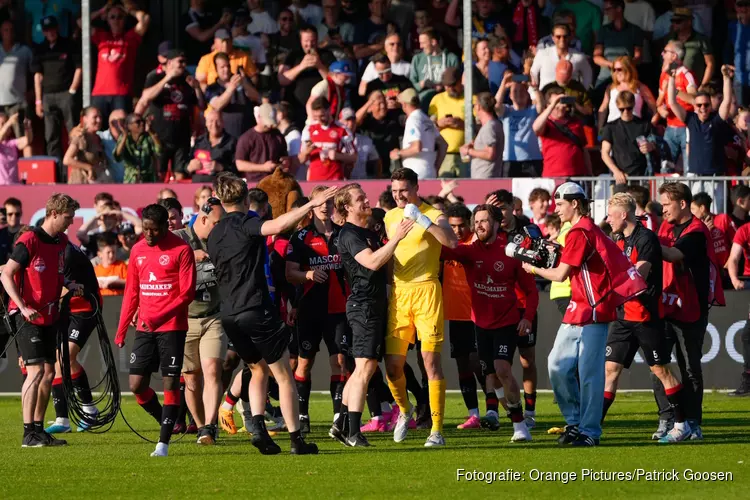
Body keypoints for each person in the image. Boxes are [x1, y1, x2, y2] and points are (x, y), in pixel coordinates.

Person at [207, 173, 332, 455]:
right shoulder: (248, 221)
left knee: (257, 369)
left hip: (229, 314)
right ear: (245, 198)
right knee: (284, 375)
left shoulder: (215, 232)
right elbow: (278, 224)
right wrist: (310, 205)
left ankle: (259, 429)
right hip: (255, 308)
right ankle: (297, 440)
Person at [521, 182, 647, 447]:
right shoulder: (582, 229)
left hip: (594, 309)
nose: (557, 208)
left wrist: (532, 269)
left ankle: (589, 431)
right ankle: (577, 423)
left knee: (589, 375)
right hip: (580, 308)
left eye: (561, 203)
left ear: (575, 203)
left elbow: (559, 275)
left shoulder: (581, 231)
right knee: (557, 365)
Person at [442, 203, 537, 442]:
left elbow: (531, 290)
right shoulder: (470, 251)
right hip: (480, 325)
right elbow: (444, 251)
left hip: (507, 322)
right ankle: (500, 413)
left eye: (484, 221)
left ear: (496, 224)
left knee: (503, 368)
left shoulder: (510, 251)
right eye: (477, 221)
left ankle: (519, 425)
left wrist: (527, 317)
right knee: (490, 374)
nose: (479, 225)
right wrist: (427, 223)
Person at [328, 183, 412, 446]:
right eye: (360, 198)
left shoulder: (369, 233)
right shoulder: (350, 235)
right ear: (347, 207)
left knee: (364, 368)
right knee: (364, 367)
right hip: (363, 307)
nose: (366, 200)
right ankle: (353, 432)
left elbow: (384, 268)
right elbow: (373, 262)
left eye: (365, 196)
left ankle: (341, 425)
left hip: (374, 306)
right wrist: (397, 238)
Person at [602, 193, 691, 443]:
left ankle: (682, 424)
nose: (608, 219)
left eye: (611, 214)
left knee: (661, 369)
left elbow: (639, 275)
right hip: (622, 316)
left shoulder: (646, 238)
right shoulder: (617, 239)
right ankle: (593, 426)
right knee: (611, 369)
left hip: (645, 316)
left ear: (624, 214)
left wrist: (611, 286)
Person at [383, 167, 458, 447]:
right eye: (394, 191)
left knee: (430, 363)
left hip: (427, 291)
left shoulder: (433, 214)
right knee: (392, 366)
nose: (398, 196)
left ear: (416, 188)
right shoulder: (390, 216)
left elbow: (451, 241)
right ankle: (405, 411)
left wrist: (424, 221)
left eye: (403, 190)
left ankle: (437, 430)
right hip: (400, 295)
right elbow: (390, 255)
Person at [0, 193, 82, 448]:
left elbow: (55, 274)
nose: (71, 222)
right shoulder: (29, 240)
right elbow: (6, 275)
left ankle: (38, 429)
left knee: (48, 372)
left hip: (48, 315)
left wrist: (68, 283)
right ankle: (28, 434)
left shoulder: (61, 241)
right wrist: (23, 307)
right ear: (54, 214)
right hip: (27, 316)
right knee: (35, 372)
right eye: (68, 217)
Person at [115, 204, 197, 457]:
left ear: (165, 226)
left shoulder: (182, 250)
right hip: (145, 328)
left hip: (172, 326)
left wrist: (159, 316)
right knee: (136, 385)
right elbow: (131, 292)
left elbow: (187, 294)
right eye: (145, 229)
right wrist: (121, 330)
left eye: (154, 230)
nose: (148, 234)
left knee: (171, 382)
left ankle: (163, 444)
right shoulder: (138, 250)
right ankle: (167, 419)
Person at [654, 182, 725, 441]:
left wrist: (647, 240)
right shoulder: (665, 227)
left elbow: (672, 255)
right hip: (665, 304)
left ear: (682, 204)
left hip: (691, 309)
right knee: (659, 364)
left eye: (666, 204)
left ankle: (693, 422)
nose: (663, 210)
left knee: (690, 367)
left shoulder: (696, 232)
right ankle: (667, 419)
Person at [285, 185, 350, 434]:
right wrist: (309, 274)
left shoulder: (345, 235)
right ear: (311, 205)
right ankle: (302, 415)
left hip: (339, 309)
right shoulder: (300, 238)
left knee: (340, 362)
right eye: (320, 201)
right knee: (304, 364)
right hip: (310, 309)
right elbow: (290, 273)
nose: (325, 206)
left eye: (329, 201)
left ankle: (338, 418)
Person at [173, 197, 226, 445]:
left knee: (213, 369)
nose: (220, 227)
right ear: (203, 218)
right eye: (217, 223)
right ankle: (201, 424)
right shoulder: (177, 239)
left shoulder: (222, 240)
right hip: (185, 318)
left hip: (214, 315)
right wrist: (188, 257)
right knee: (192, 378)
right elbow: (160, 267)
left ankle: (210, 425)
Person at [46, 238, 103, 434]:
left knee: (65, 356)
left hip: (85, 307)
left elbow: (61, 289)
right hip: (68, 310)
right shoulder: (59, 250)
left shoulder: (66, 253)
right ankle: (63, 418)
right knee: (59, 360)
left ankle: (88, 410)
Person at [667, 64, 733, 208]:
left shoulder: (716, 120)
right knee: (695, 214)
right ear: (694, 106)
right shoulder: (691, 119)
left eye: (706, 105)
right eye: (699, 105)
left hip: (715, 177)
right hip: (695, 177)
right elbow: (672, 102)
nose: (703, 108)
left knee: (716, 213)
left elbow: (727, 101)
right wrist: (672, 79)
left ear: (710, 105)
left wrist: (726, 78)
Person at [138, 49, 203, 181]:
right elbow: (145, 98)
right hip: (160, 136)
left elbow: (202, 106)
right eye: (180, 61)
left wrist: (197, 88)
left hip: (182, 135)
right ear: (170, 63)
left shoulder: (187, 79)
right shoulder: (155, 77)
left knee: (180, 174)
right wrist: (167, 77)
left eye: (185, 62)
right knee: (159, 174)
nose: (183, 65)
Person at [32, 15, 81, 163]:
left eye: (52, 29)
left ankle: (75, 167)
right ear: (44, 32)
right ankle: (56, 173)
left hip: (66, 93)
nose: (50, 32)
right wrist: (38, 101)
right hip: (47, 95)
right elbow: (38, 76)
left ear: (57, 28)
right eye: (47, 30)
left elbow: (79, 68)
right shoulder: (40, 49)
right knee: (51, 136)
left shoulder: (69, 44)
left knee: (74, 131)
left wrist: (72, 90)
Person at [90, 1, 150, 119]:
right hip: (99, 92)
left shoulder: (130, 37)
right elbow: (81, 22)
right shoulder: (101, 36)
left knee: (121, 130)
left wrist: (130, 11)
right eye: (112, 17)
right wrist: (103, 10)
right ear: (107, 20)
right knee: (96, 128)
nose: (116, 20)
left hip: (121, 93)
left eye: (120, 17)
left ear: (124, 20)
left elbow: (145, 19)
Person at [278, 24, 335, 129]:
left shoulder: (326, 55)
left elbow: (335, 82)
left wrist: (320, 66)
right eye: (306, 41)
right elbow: (282, 79)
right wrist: (301, 66)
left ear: (317, 39)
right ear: (300, 41)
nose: (309, 44)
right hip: (296, 108)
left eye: (313, 41)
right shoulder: (293, 55)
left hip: (320, 109)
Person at [656, 40, 696, 170]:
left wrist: (674, 91)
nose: (662, 54)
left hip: (686, 127)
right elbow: (659, 102)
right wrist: (660, 109)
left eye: (665, 52)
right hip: (670, 127)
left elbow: (695, 100)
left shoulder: (686, 74)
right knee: (665, 167)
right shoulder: (664, 75)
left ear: (674, 56)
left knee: (689, 168)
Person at [390, 89, 447, 180]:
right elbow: (444, 144)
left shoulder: (413, 119)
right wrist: (436, 167)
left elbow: (416, 147)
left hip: (416, 173)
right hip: (429, 171)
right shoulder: (426, 119)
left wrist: (398, 153)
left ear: (404, 104)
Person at [532, 88, 591, 177]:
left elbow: (584, 150)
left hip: (577, 174)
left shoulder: (576, 122)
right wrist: (552, 105)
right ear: (548, 105)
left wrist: (590, 173)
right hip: (553, 175)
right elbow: (536, 128)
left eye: (562, 102)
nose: (561, 106)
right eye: (557, 103)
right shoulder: (547, 123)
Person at [601, 90, 656, 183]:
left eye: (629, 108)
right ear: (617, 106)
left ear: (634, 105)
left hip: (641, 176)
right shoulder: (610, 127)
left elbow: (656, 143)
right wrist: (616, 171)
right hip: (620, 178)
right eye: (622, 109)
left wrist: (650, 146)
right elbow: (604, 153)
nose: (626, 111)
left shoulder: (644, 124)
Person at [495, 72, 543, 178]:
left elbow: (541, 106)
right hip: (510, 160)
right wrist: (503, 85)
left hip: (532, 159)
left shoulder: (532, 110)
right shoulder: (507, 110)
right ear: (510, 95)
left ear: (527, 94)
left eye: (522, 91)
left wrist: (534, 88)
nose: (518, 94)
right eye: (515, 91)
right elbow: (496, 105)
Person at [204, 52, 260, 139]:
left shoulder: (242, 80)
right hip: (227, 138)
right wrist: (231, 87)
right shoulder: (212, 88)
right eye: (222, 67)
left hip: (248, 134)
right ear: (216, 69)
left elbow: (257, 98)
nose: (226, 69)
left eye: (228, 66)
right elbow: (218, 105)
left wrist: (245, 84)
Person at [299, 97, 356, 181]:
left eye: (322, 116)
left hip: (335, 180)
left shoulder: (342, 129)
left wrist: (337, 156)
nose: (319, 119)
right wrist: (306, 152)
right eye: (316, 116)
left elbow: (354, 157)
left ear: (329, 110)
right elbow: (300, 159)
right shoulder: (309, 129)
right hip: (314, 181)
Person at [593, 0, 643, 92]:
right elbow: (596, 57)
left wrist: (625, 65)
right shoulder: (603, 30)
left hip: (627, 78)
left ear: (619, 9)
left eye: (608, 9)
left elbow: (638, 57)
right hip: (605, 77)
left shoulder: (635, 30)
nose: (606, 13)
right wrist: (611, 65)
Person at [660, 7, 714, 88]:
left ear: (689, 22)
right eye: (672, 21)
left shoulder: (701, 40)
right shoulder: (669, 39)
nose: (674, 24)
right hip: (673, 86)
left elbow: (710, 64)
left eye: (678, 21)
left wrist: (702, 86)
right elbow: (664, 63)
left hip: (694, 86)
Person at [235, 103, 289, 182]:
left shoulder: (278, 136)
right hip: (254, 183)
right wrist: (263, 167)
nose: (270, 125)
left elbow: (284, 157)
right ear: (259, 117)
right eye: (267, 122)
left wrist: (284, 162)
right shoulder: (246, 138)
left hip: (275, 182)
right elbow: (239, 165)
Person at [409, 28, 460, 110]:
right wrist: (422, 84)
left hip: (447, 101)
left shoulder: (451, 58)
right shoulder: (417, 59)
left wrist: (444, 85)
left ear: (433, 42)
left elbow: (458, 82)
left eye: (423, 43)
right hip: (424, 101)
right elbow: (411, 83)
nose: (420, 46)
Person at [428, 68, 466, 178]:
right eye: (447, 86)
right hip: (443, 156)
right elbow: (428, 128)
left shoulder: (471, 99)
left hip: (466, 156)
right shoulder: (437, 99)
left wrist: (463, 125)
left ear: (460, 81)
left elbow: (481, 127)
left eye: (453, 85)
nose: (450, 89)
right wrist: (439, 124)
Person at [598, 56, 657, 126]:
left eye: (619, 69)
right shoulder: (610, 87)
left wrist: (650, 127)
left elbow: (655, 109)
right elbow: (603, 108)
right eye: (614, 69)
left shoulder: (640, 87)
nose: (616, 72)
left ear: (628, 69)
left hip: (634, 128)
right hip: (613, 128)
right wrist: (600, 130)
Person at [530, 23, 592, 90]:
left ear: (569, 37)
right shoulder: (542, 54)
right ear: (553, 38)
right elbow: (533, 74)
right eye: (558, 37)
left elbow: (588, 76)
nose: (562, 39)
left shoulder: (579, 56)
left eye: (565, 36)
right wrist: (535, 96)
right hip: (546, 97)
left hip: (571, 97)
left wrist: (581, 93)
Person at [63, 107, 111, 183]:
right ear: (85, 119)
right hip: (80, 182)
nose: (99, 120)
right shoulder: (80, 137)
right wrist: (88, 167)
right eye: (95, 117)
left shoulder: (99, 138)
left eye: (100, 117)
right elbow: (67, 160)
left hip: (96, 182)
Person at [460, 92, 503, 179]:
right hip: (486, 175)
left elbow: (490, 154)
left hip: (485, 176)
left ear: (479, 106)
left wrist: (468, 151)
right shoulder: (494, 124)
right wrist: (475, 146)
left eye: (474, 105)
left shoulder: (489, 127)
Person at [188, 111, 237, 183]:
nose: (214, 124)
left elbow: (237, 168)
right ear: (206, 123)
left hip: (220, 186)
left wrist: (221, 167)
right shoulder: (198, 141)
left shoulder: (232, 142)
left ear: (223, 123)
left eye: (217, 121)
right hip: (197, 186)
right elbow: (186, 164)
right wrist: (189, 167)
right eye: (211, 121)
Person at [113, 113, 162, 184]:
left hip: (148, 179)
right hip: (130, 179)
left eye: (143, 121)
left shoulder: (148, 137)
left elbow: (159, 150)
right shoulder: (125, 138)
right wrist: (124, 136)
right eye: (138, 122)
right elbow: (117, 157)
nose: (142, 123)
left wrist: (151, 131)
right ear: (129, 126)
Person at [340, 108, 379, 180]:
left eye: (353, 120)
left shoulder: (366, 140)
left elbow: (376, 160)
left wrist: (377, 178)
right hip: (341, 183)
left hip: (362, 183)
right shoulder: (336, 141)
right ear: (340, 122)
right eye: (347, 120)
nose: (351, 123)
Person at [727, 1, 750, 106]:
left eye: (747, 5)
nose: (743, 9)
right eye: (740, 5)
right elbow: (727, 48)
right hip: (739, 77)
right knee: (742, 113)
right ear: (735, 7)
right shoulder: (731, 26)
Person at [0, 113, 32, 185]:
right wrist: (9, 122)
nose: (5, 126)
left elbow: (28, 140)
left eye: (5, 123)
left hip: (14, 185)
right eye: (2, 124)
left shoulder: (12, 143)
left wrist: (28, 128)